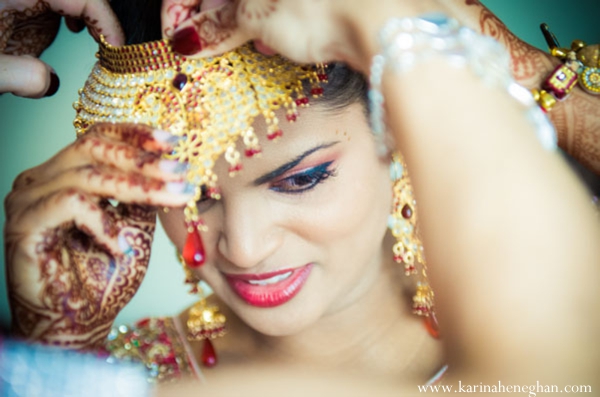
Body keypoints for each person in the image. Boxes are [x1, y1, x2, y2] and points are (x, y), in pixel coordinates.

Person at [4, 0, 600, 392]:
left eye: (301, 178)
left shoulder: (553, 269)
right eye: (190, 193)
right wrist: (67, 352)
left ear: (394, 130)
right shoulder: (138, 374)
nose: (244, 247)